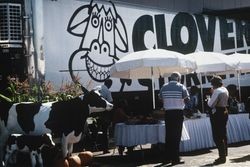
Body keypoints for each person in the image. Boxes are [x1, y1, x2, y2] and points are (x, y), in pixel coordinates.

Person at [159, 72, 189, 165]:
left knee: (168, 136)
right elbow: (187, 99)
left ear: (170, 78)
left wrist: (168, 102)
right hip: (178, 113)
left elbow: (160, 98)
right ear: (178, 79)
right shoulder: (181, 87)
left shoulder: (164, 86)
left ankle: (166, 158)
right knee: (176, 136)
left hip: (168, 113)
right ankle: (175, 159)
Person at [207, 75, 229, 165]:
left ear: (214, 84)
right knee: (223, 133)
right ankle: (225, 153)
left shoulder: (217, 91)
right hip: (224, 110)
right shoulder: (225, 89)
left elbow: (211, 104)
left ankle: (222, 157)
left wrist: (208, 98)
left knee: (217, 135)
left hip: (218, 113)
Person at [93, 79, 113, 154]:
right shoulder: (107, 91)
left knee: (95, 131)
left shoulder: (96, 88)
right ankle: (105, 149)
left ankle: (91, 147)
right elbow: (110, 103)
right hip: (103, 114)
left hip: (94, 113)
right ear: (110, 85)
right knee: (105, 132)